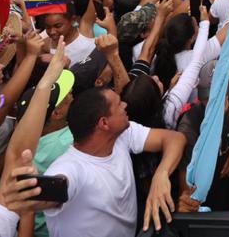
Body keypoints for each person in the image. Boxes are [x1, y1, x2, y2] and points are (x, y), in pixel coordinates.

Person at [44, 86, 186, 237]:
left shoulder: (123, 134)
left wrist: (161, 174)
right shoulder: (69, 167)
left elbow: (175, 139)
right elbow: (49, 194)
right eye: (119, 104)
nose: (125, 105)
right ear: (104, 123)